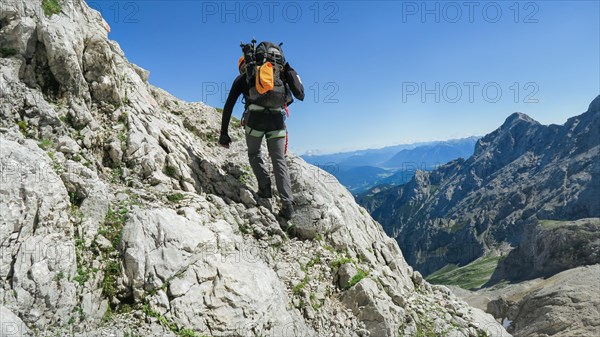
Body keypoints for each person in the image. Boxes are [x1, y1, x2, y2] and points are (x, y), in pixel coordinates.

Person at [219, 47, 304, 220]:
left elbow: (228, 106)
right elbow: (294, 95)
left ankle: (265, 189)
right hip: (276, 121)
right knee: (279, 160)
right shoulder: (278, 73)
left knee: (254, 153)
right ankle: (287, 205)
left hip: (255, 121)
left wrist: (224, 133)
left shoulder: (243, 77)